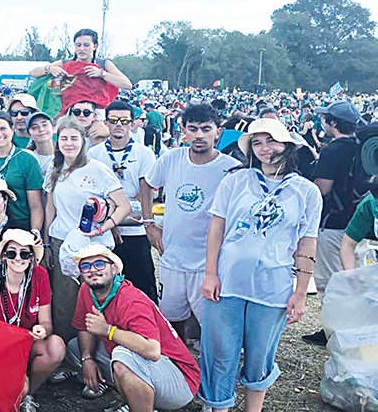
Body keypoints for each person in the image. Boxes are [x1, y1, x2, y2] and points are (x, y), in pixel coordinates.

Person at [199, 119, 321, 412]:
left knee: (259, 357)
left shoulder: (306, 192)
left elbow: (307, 245)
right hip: (228, 282)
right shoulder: (236, 181)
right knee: (220, 353)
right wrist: (210, 273)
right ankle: (219, 408)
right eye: (257, 143)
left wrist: (301, 293)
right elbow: (217, 229)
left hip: (272, 286)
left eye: (271, 141)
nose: (265, 149)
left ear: (287, 145)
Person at [144, 104, 240, 342]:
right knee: (171, 323)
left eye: (206, 129)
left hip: (209, 264)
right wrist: (149, 223)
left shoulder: (231, 168)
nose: (199, 135)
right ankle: (177, 369)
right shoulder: (171, 158)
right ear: (183, 129)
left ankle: (210, 373)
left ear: (217, 131)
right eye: (193, 129)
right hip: (172, 259)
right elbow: (147, 184)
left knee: (213, 328)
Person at [67, 244, 199, 411]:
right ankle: (129, 395)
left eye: (99, 264)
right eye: (85, 266)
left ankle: (139, 406)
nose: (92, 270)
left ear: (114, 269)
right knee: (75, 348)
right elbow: (84, 327)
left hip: (179, 381)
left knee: (122, 355)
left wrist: (108, 330)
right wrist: (87, 359)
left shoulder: (131, 300)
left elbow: (152, 350)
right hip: (139, 360)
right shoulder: (87, 289)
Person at [44, 117, 131, 345]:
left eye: (74, 138)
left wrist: (105, 227)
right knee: (65, 301)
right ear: (57, 142)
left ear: (83, 141)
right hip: (63, 243)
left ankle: (101, 355)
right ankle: (67, 355)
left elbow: (124, 206)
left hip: (94, 246)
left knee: (98, 300)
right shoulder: (54, 170)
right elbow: (49, 209)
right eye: (64, 138)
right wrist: (45, 243)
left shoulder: (97, 169)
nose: (69, 143)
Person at [0, 229, 65, 412]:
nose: (18, 258)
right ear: (3, 257)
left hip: (26, 345)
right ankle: (15, 390)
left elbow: (46, 323)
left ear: (31, 258)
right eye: (11, 253)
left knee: (56, 346)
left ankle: (28, 396)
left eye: (24, 253)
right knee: (19, 385)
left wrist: (42, 330)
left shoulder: (40, 276)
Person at [303, 99, 362, 346]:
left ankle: (333, 332)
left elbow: (322, 189)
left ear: (333, 123)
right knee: (354, 278)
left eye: (325, 118)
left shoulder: (333, 149)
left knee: (330, 281)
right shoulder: (362, 146)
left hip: (333, 223)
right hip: (359, 222)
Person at [88, 101, 159, 302]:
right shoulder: (94, 153)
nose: (119, 124)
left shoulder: (144, 153)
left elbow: (146, 193)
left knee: (143, 288)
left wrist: (146, 222)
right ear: (106, 123)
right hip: (106, 232)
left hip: (136, 231)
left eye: (124, 120)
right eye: (113, 120)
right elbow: (94, 194)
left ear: (132, 123)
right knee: (107, 289)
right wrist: (111, 224)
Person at [0, 110, 45, 233]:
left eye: (3, 128)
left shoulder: (27, 160)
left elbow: (36, 206)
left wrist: (35, 231)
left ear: (12, 129)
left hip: (18, 224)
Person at [34, 28, 133, 90]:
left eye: (86, 45)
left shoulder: (103, 64)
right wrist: (49, 69)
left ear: (95, 46)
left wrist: (102, 74)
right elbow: (33, 73)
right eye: (78, 45)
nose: (81, 49)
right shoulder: (66, 62)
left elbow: (127, 85)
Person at [26, 111, 56, 179]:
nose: (41, 129)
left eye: (44, 125)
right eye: (34, 127)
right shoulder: (27, 158)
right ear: (29, 134)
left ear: (53, 128)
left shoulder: (64, 154)